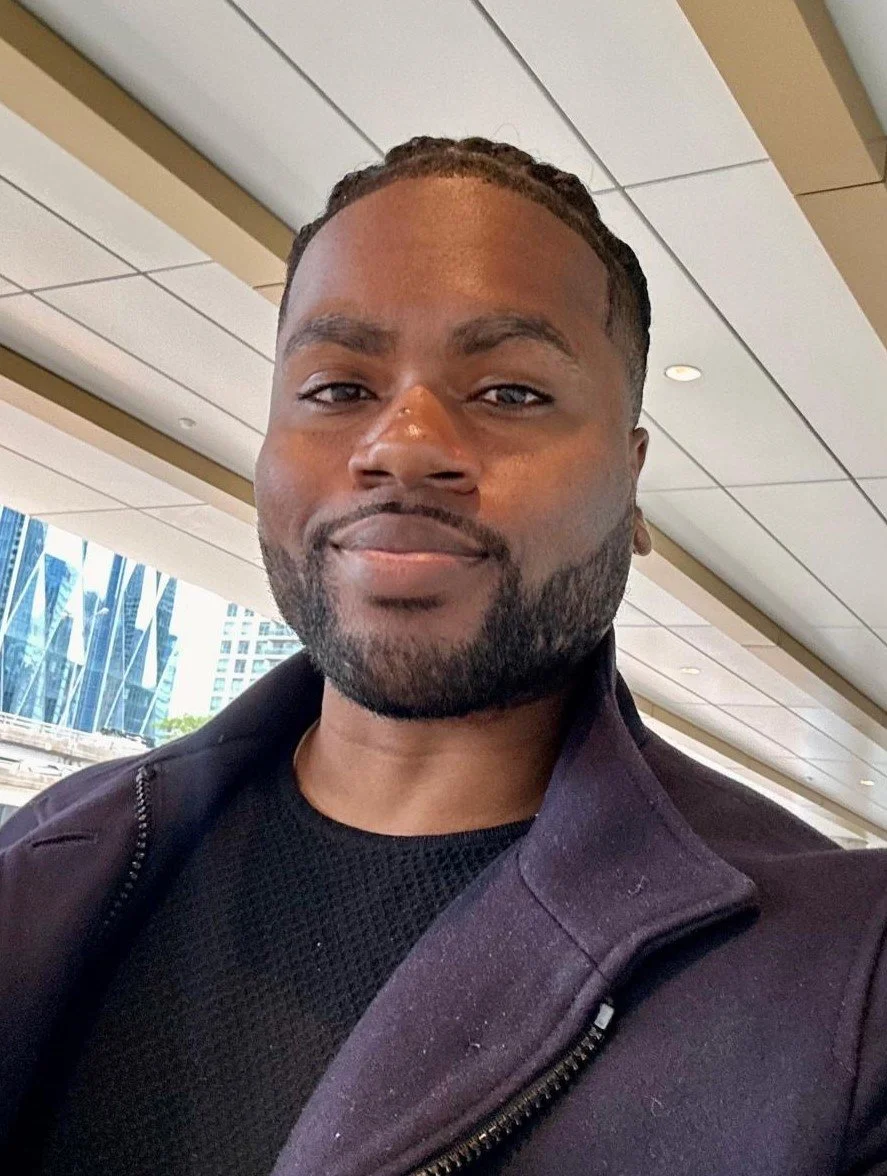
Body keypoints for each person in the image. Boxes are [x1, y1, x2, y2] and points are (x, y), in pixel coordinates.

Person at [2, 135, 886, 1176]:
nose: (402, 442)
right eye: (336, 389)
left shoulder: (844, 974)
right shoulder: (53, 847)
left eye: (510, 392)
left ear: (630, 481)